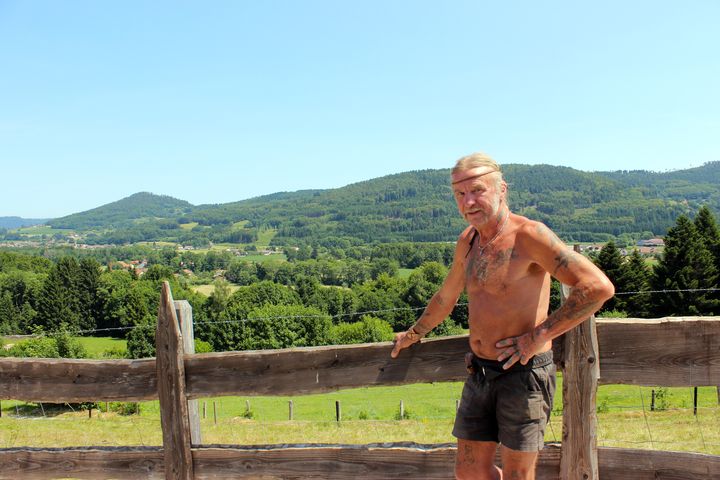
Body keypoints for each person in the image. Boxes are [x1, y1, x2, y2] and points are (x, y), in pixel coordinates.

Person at [390, 152, 614, 480]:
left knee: (518, 476)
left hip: (523, 375)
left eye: (477, 190)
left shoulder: (530, 235)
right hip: (480, 371)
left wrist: (538, 336)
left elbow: (597, 287)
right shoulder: (468, 241)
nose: (468, 201)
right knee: (468, 472)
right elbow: (446, 297)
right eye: (459, 194)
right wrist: (413, 334)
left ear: (501, 189)